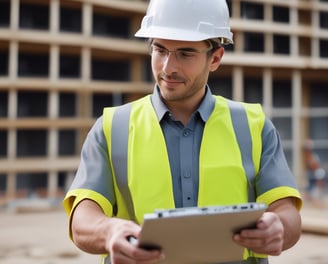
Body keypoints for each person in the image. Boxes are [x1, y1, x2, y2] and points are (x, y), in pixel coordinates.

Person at [63, 0, 302, 263]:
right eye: (160, 50)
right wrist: (109, 231)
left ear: (216, 58)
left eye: (185, 53)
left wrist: (278, 226)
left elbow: (287, 214)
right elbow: (83, 218)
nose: (168, 67)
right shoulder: (112, 127)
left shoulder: (252, 125)